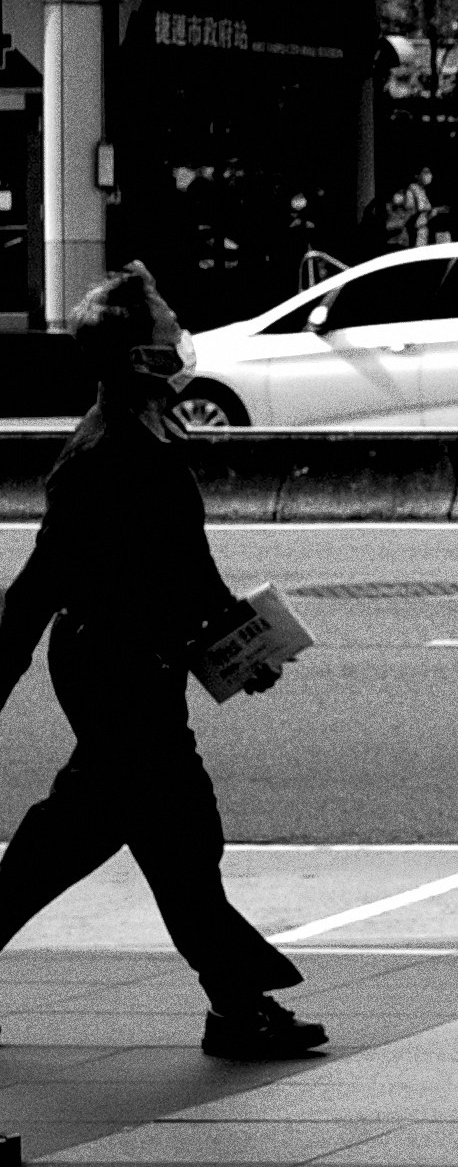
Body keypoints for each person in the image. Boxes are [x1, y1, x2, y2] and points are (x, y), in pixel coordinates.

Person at [0, 267, 322, 1064]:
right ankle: (239, 1008)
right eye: (170, 324)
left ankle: (239, 1006)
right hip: (113, 674)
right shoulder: (104, 455)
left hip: (140, 667)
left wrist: (235, 643)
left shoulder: (145, 432)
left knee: (102, 838)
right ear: (140, 355)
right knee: (166, 836)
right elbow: (44, 582)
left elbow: (181, 568)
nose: (183, 338)